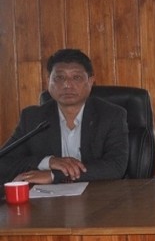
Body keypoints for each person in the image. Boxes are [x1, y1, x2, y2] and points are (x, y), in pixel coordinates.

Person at [0, 49, 129, 184]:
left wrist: (54, 175)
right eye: (59, 78)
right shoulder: (33, 118)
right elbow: (3, 163)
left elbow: (116, 166)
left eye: (76, 77)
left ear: (91, 81)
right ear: (48, 81)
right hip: (47, 201)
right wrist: (47, 161)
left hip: (97, 198)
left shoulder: (111, 115)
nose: (67, 85)